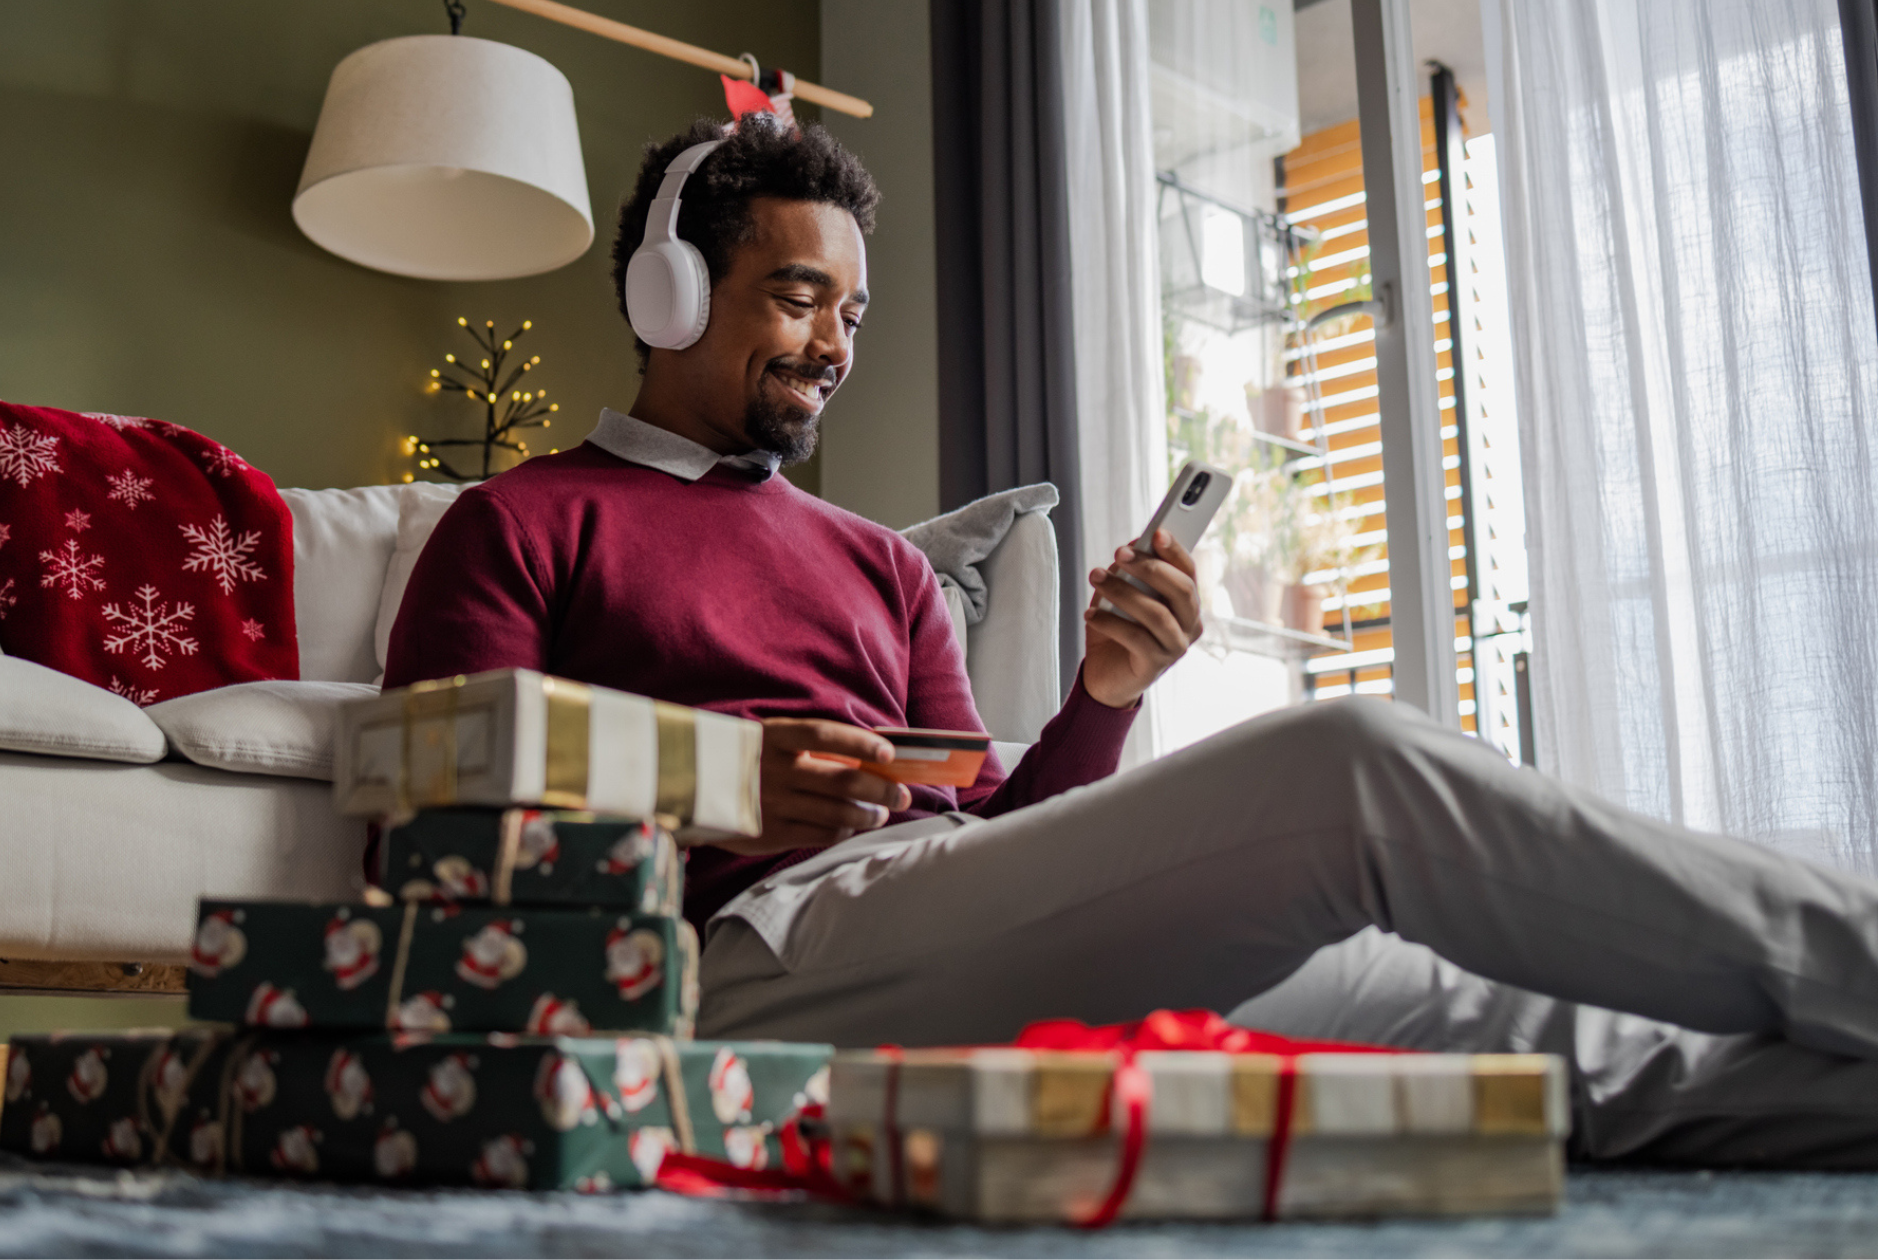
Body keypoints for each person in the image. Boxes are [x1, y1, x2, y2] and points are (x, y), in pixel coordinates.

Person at [384, 116, 1878, 1166]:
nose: (838, 344)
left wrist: (1102, 694)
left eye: (854, 308)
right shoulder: (521, 526)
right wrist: (711, 789)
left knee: (1508, 1026)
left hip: (941, 911)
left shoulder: (878, 568)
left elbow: (991, 840)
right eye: (798, 296)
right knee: (1354, 765)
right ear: (673, 287)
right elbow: (421, 842)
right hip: (751, 961)